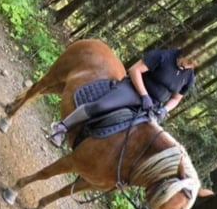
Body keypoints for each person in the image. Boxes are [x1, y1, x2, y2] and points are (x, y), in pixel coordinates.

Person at [47, 44, 198, 147]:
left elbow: (176, 98)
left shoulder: (189, 76)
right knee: (101, 105)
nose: (191, 65)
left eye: (194, 63)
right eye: (191, 60)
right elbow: (135, 70)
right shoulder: (163, 56)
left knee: (143, 142)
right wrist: (144, 95)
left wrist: (165, 110)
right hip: (133, 90)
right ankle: (61, 127)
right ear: (186, 53)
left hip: (153, 108)